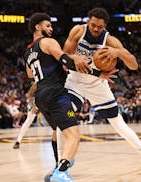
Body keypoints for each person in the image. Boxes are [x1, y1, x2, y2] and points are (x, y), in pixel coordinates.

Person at [63, 8, 141, 176]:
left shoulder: (110, 40)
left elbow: (133, 65)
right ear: (88, 22)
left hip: (98, 84)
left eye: (100, 26)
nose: (96, 29)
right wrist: (75, 58)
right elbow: (64, 57)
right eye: (93, 25)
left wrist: (118, 52)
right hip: (75, 81)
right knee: (62, 115)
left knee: (119, 124)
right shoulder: (77, 31)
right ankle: (62, 162)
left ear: (105, 27)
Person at [25, 12, 114, 182]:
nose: (51, 29)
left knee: (60, 131)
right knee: (74, 135)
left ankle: (64, 161)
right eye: (48, 25)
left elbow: (30, 74)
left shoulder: (28, 52)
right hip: (55, 94)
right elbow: (64, 59)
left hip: (40, 96)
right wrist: (97, 73)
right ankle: (61, 171)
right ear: (38, 27)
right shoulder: (48, 42)